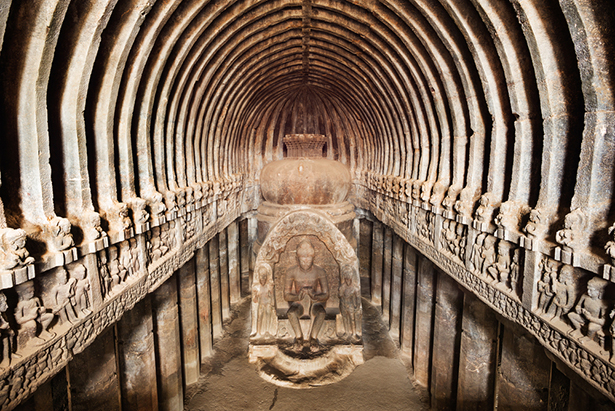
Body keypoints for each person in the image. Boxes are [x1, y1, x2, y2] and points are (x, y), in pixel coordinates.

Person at [284, 240, 329, 351]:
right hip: (298, 303)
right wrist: (297, 297)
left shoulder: (320, 272)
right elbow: (286, 295)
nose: (305, 261)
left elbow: (326, 294)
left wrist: (315, 297)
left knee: (321, 313)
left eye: (308, 257)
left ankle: (313, 338)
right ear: (297, 258)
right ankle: (299, 338)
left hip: (314, 303)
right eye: (302, 258)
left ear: (313, 258)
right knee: (291, 313)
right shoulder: (291, 272)